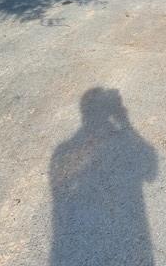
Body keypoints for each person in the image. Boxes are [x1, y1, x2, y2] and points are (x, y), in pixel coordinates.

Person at [49, 88, 157, 265]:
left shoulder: (62, 150)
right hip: (125, 229)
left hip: (75, 238)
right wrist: (126, 123)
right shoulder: (66, 151)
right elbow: (150, 172)